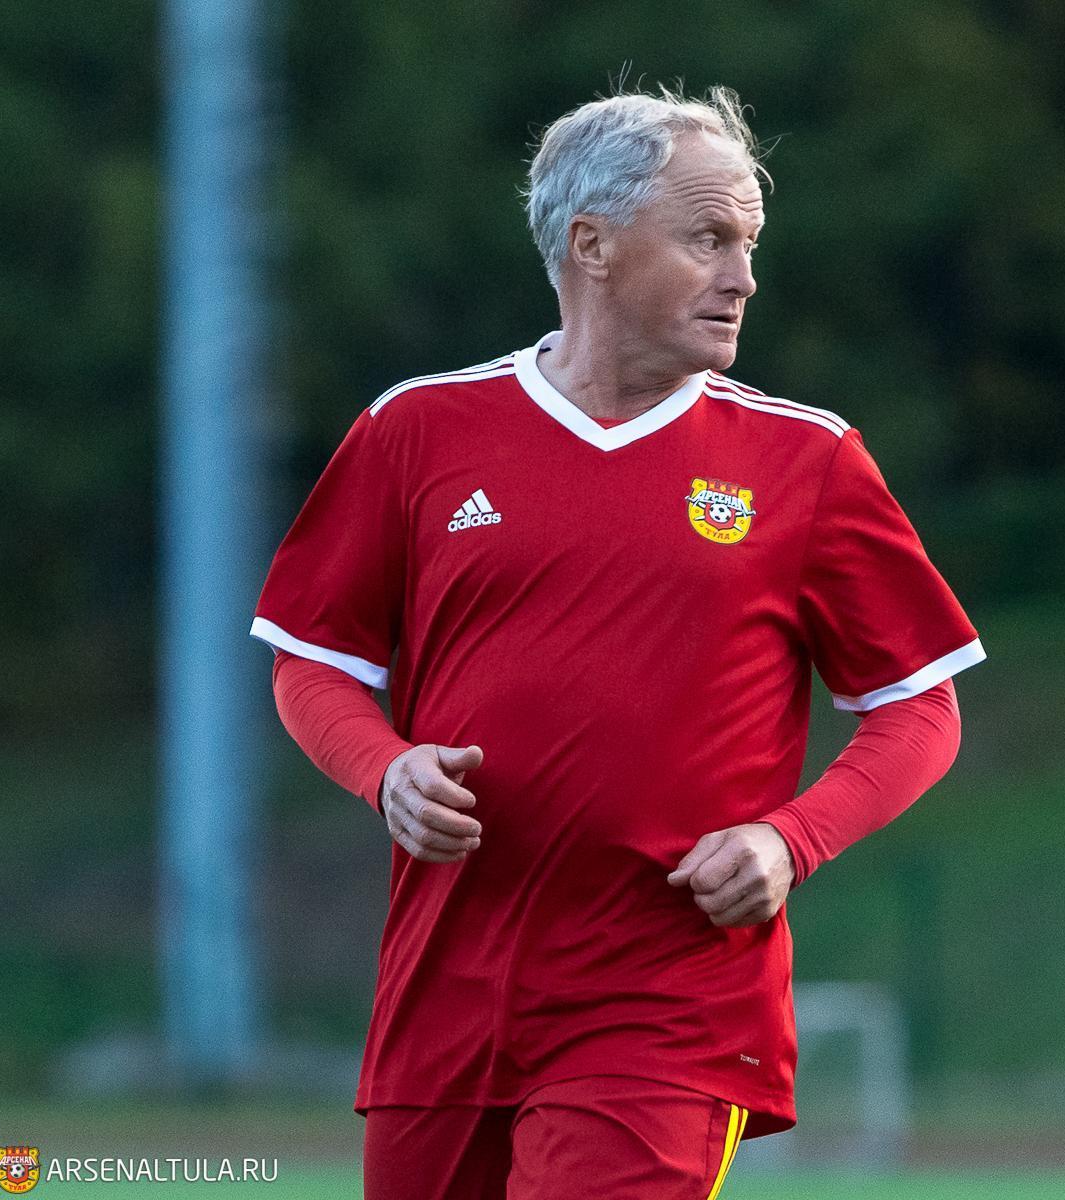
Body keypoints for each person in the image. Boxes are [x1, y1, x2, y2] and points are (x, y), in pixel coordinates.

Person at [250, 85, 984, 1200]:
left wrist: (791, 840)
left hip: (669, 1011)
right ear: (591, 245)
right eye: (709, 239)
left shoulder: (809, 461)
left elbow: (921, 705)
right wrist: (383, 767)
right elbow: (314, 661)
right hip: (445, 1001)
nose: (744, 276)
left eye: (749, 242)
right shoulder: (416, 430)